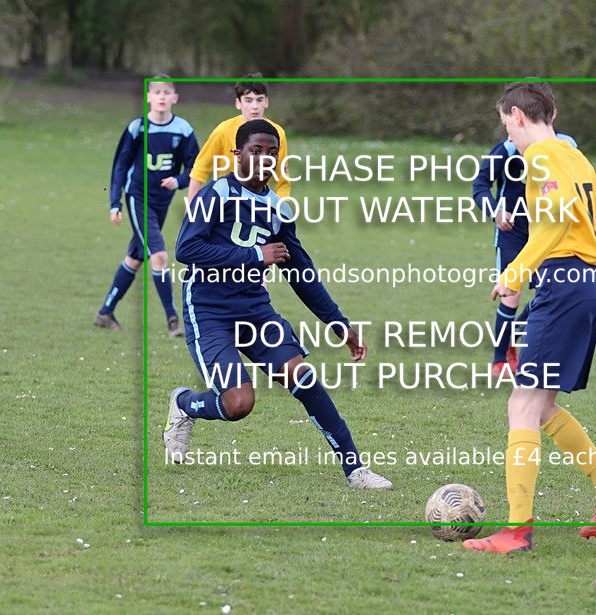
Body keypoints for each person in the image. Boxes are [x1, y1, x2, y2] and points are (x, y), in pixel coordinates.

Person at [164, 119, 392, 490]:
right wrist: (255, 254)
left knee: (303, 377)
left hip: (254, 308)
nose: (265, 159)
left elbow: (301, 270)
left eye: (273, 154)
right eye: (256, 151)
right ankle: (185, 404)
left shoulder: (277, 207)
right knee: (238, 403)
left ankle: (356, 470)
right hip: (208, 310)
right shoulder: (215, 194)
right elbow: (186, 250)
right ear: (237, 154)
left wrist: (338, 323)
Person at [463, 82, 596, 554]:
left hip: (562, 286)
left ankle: (516, 531)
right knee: (541, 407)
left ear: (518, 115)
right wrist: (592, 281)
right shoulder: (575, 158)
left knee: (521, 406)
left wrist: (516, 274)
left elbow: (558, 222)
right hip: (586, 287)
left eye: (507, 126)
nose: (510, 137)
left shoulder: (539, 159)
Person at [95, 75, 199, 336]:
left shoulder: (183, 130)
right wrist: (114, 202)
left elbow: (195, 167)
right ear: (148, 97)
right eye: (157, 93)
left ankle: (105, 313)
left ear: (175, 97)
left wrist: (179, 180)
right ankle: (173, 320)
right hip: (138, 198)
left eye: (167, 93)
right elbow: (121, 165)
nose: (162, 97)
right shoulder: (138, 128)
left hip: (162, 201)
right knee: (159, 255)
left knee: (136, 257)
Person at [472, 131, 577, 377]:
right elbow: (479, 185)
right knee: (511, 293)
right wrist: (496, 210)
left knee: (548, 293)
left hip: (547, 233)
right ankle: (500, 361)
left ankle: (514, 335)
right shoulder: (506, 149)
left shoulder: (565, 146)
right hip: (513, 234)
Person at [187, 74, 291, 202]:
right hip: (226, 202)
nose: (255, 106)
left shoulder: (277, 133)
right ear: (238, 103)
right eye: (248, 100)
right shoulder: (223, 131)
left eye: (259, 99)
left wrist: (280, 211)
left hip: (259, 203)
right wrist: (192, 211)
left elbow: (283, 181)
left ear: (266, 102)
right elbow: (199, 171)